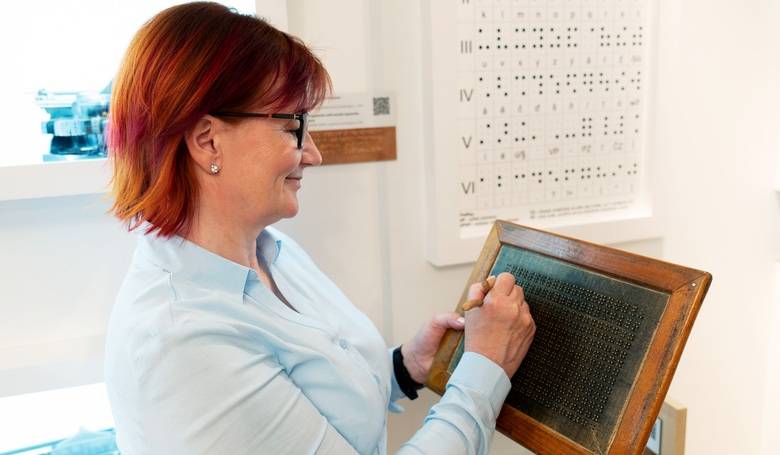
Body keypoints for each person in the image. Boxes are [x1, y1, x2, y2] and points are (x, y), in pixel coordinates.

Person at [103, 2, 536, 454]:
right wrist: (485, 370)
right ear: (207, 140)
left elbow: (314, 402)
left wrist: (404, 367)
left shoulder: (273, 251)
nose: (313, 154)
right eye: (293, 126)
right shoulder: (183, 342)